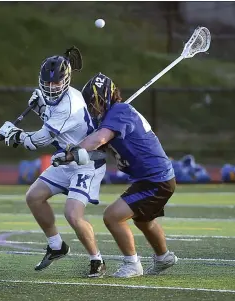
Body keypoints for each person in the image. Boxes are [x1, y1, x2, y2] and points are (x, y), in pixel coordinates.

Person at [51, 73, 178, 278]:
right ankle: (164, 257)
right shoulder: (114, 116)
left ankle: (132, 264)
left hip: (154, 179)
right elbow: (96, 150)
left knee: (112, 217)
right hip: (154, 178)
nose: (94, 107)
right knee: (144, 221)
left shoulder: (120, 111)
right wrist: (71, 155)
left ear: (107, 97)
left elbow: (99, 139)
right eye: (91, 104)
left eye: (97, 102)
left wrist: (70, 153)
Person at [0, 53, 106, 278]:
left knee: (73, 215)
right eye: (47, 82)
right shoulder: (55, 100)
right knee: (33, 197)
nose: (51, 87)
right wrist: (40, 110)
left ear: (66, 81)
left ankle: (97, 259)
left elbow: (38, 141)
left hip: (85, 162)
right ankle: (56, 246)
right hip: (64, 158)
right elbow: (52, 122)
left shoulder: (70, 105)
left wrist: (14, 135)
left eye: (56, 82)